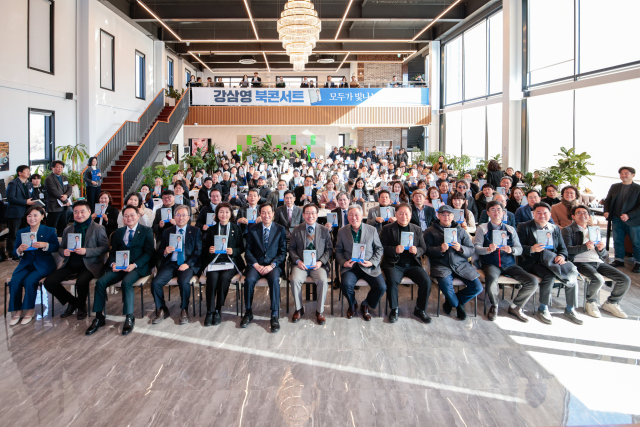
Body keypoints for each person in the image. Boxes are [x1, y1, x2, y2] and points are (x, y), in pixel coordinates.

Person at [86, 205, 155, 336]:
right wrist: (113, 264)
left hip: (137, 266)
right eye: (126, 216)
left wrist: (134, 265)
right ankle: (99, 317)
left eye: (132, 215)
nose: (129, 218)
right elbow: (113, 252)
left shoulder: (146, 231)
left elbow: (149, 253)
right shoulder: (118, 232)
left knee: (126, 282)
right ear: (123, 219)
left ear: (138, 216)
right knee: (100, 282)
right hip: (119, 266)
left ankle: (129, 317)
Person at [517, 202, 582, 325]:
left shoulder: (555, 228)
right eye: (538, 213)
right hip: (533, 261)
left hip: (552, 260)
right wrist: (531, 249)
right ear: (533, 214)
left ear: (550, 214)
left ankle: (570, 308)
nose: (542, 215)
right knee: (549, 276)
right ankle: (543, 308)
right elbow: (518, 247)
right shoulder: (524, 226)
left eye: (545, 213)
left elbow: (563, 248)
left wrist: (561, 256)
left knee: (571, 273)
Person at [473, 200, 538, 322]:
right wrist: (487, 249)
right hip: (491, 264)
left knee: (532, 281)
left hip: (509, 264)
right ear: (488, 213)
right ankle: (494, 305)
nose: (496, 212)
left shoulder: (510, 229)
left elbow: (519, 249)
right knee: (491, 282)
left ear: (503, 212)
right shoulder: (482, 228)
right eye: (493, 210)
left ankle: (515, 307)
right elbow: (476, 248)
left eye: (499, 209)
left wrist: (511, 250)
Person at [562, 205, 630, 319]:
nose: (582, 215)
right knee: (598, 279)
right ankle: (591, 302)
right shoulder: (567, 230)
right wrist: (585, 247)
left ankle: (612, 302)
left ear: (589, 216)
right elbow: (566, 250)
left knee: (625, 279)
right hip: (580, 261)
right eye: (579, 213)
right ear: (573, 216)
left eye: (585, 213)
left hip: (598, 261)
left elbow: (604, 254)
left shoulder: (594, 230)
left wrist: (601, 249)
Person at [423, 205, 482, 320]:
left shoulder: (461, 231)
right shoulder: (430, 231)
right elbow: (426, 251)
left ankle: (452, 302)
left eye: (449, 215)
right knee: (446, 285)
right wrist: (440, 249)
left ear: (453, 216)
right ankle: (457, 305)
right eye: (443, 215)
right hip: (441, 265)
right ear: (438, 216)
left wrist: (461, 248)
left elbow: (471, 249)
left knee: (477, 287)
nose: (446, 217)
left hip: (461, 265)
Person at [7, 206, 60, 326]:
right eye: (29, 216)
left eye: (35, 215)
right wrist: (19, 250)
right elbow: (14, 251)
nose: (32, 218)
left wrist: (45, 245)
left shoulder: (49, 230)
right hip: (26, 264)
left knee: (30, 281)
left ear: (42, 216)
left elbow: (56, 247)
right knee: (14, 281)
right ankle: (17, 311)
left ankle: (30, 310)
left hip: (43, 264)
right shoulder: (21, 232)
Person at [380, 203, 431, 324]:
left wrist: (417, 250)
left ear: (410, 215)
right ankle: (394, 309)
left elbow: (423, 248)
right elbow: (381, 247)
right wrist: (394, 249)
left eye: (406, 214)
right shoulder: (387, 228)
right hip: (394, 264)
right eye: (401, 213)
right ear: (396, 214)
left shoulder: (417, 229)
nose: (404, 216)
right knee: (392, 281)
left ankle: (420, 309)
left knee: (426, 281)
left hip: (412, 264)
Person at [151, 205, 202, 325]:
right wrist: (165, 251)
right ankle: (162, 308)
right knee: (155, 283)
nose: (181, 218)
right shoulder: (168, 231)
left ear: (188, 217)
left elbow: (198, 251)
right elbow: (160, 250)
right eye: (178, 215)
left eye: (184, 215)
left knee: (183, 282)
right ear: (174, 217)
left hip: (186, 264)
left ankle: (184, 309)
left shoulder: (195, 231)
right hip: (171, 263)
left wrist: (188, 264)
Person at [241, 203, 287, 332]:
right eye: (263, 212)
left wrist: (272, 266)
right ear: (259, 214)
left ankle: (274, 314)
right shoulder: (253, 229)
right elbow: (248, 251)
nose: (266, 215)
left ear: (273, 214)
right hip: (256, 265)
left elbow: (283, 252)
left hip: (273, 266)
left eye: (269, 212)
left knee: (274, 280)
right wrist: (256, 265)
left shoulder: (280, 229)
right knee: (249, 280)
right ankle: (248, 312)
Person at [335, 205, 386, 321]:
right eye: (350, 215)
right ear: (347, 217)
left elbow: (379, 249)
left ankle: (366, 304)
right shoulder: (342, 231)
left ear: (362, 216)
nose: (354, 218)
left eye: (356, 215)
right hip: (351, 267)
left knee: (381, 287)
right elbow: (338, 250)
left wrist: (372, 262)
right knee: (345, 285)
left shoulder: (371, 230)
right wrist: (344, 263)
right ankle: (352, 304)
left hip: (368, 266)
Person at [199, 203, 245, 326]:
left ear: (231, 214)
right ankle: (210, 311)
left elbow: (241, 247)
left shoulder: (236, 228)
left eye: (227, 212)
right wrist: (210, 250)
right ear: (217, 214)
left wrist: (233, 251)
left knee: (224, 279)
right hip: (214, 261)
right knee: (212, 279)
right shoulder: (211, 229)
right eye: (221, 212)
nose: (224, 214)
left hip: (230, 262)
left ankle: (218, 309)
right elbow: (204, 248)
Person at [288, 204, 333, 325]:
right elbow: (291, 248)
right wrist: (298, 261)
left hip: (317, 265)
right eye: (307, 213)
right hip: (301, 264)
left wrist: (321, 262)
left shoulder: (324, 230)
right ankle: (299, 309)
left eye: (313, 213)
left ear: (317, 215)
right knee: (295, 280)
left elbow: (329, 249)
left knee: (323, 281)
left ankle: (320, 311)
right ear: (303, 215)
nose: (310, 215)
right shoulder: (297, 229)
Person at [6, 165, 35, 261]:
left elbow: (32, 196)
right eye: (26, 171)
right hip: (15, 213)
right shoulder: (13, 183)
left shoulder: (29, 184)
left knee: (25, 233)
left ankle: (24, 250)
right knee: (14, 234)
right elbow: (10, 198)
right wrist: (25, 202)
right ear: (20, 173)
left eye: (29, 171)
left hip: (27, 212)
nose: (29, 173)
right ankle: (12, 254)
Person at [45, 160, 73, 236]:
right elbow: (54, 192)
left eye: (61, 167)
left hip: (64, 207)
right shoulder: (49, 179)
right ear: (52, 168)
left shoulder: (64, 177)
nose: (60, 169)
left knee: (63, 225)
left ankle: (61, 240)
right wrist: (66, 201)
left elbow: (69, 188)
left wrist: (66, 195)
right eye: (57, 167)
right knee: (51, 226)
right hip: (54, 206)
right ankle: (49, 241)